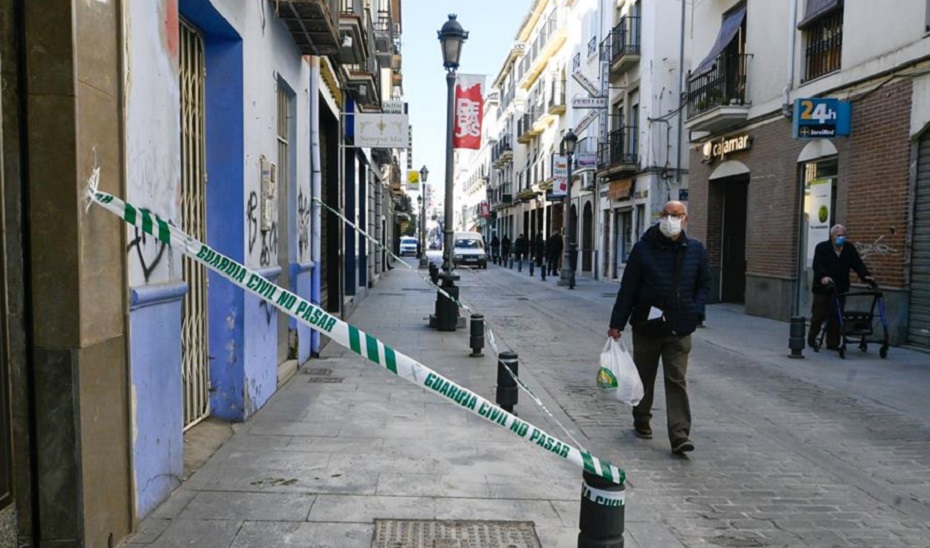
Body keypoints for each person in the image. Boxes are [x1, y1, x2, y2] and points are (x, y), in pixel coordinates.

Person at [607, 201, 710, 455]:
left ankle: (679, 435)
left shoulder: (696, 249)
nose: (670, 219)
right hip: (647, 327)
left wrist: (695, 310)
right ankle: (641, 418)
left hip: (680, 327)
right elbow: (628, 289)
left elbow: (704, 285)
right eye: (665, 214)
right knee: (645, 377)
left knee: (676, 379)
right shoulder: (643, 249)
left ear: (685, 219)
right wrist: (616, 324)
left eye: (675, 215)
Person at [808, 224, 874, 351]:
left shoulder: (849, 249)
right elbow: (818, 264)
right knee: (819, 315)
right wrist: (823, 277)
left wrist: (865, 276)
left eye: (844, 235)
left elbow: (857, 264)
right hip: (823, 288)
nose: (841, 238)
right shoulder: (822, 247)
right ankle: (812, 337)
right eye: (839, 235)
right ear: (832, 236)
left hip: (840, 288)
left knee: (836, 316)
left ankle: (833, 343)